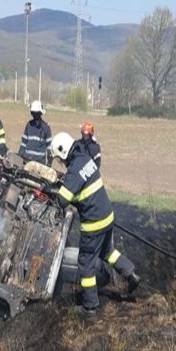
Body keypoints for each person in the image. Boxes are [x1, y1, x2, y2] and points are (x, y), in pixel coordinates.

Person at [49, 132, 140, 317]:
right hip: (106, 215)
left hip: (94, 223)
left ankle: (89, 307)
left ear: (63, 151)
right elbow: (81, 191)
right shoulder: (85, 158)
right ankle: (131, 273)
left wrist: (50, 190)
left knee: (85, 263)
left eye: (59, 158)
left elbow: (63, 201)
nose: (60, 162)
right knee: (107, 252)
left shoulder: (74, 170)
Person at [19, 100, 52, 165]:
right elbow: (23, 143)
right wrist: (20, 156)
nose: (34, 115)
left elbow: (49, 147)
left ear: (40, 113)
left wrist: (49, 163)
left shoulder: (46, 127)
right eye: (33, 113)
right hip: (27, 160)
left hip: (40, 163)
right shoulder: (28, 125)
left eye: (36, 113)